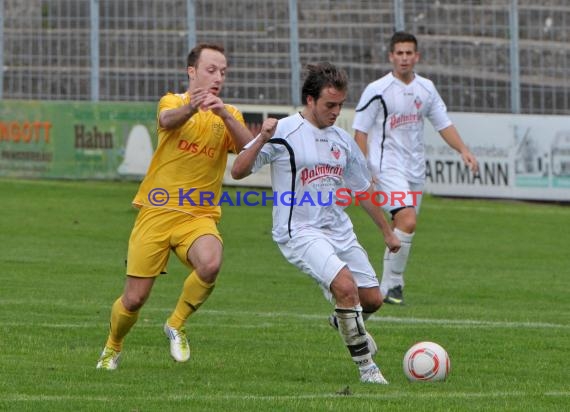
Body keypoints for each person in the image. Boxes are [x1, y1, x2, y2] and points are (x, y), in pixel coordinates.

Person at [96, 43, 275, 370]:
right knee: (134, 299)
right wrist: (194, 107)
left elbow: (245, 149)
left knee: (210, 263)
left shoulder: (228, 114)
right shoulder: (173, 101)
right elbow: (168, 120)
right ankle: (112, 347)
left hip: (199, 215)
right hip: (157, 212)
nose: (218, 76)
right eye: (211, 69)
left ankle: (176, 323)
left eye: (222, 71)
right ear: (191, 71)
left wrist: (221, 112)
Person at [231, 62, 401, 384]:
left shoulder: (341, 140)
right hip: (300, 231)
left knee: (372, 300)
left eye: (340, 105)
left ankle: (343, 319)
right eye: (329, 105)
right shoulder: (284, 131)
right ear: (310, 100)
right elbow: (238, 171)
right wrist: (261, 139)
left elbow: (362, 189)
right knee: (345, 288)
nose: (336, 112)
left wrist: (387, 231)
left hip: (338, 228)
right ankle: (368, 368)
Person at [352, 31, 479, 305]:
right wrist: (364, 170)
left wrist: (464, 150)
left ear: (416, 56)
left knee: (403, 225)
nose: (404, 58)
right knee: (407, 220)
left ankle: (388, 287)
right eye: (399, 53)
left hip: (415, 171)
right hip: (386, 168)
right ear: (391, 56)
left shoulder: (426, 89)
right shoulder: (377, 90)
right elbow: (360, 132)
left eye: (409, 53)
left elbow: (442, 123)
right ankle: (392, 285)